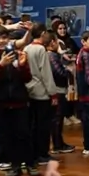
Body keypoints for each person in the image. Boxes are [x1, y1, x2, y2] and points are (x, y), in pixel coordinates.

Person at [0, 25, 39, 176]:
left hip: (19, 102)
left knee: (24, 134)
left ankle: (31, 164)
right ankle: (15, 165)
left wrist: (22, 65)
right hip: (0, 104)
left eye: (4, 37)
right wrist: (1, 65)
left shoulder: (14, 53)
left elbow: (26, 78)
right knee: (7, 136)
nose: (1, 41)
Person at [24, 23, 59, 165]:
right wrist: (53, 93)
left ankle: (34, 153)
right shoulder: (41, 50)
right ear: (43, 33)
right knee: (43, 125)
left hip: (29, 90)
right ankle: (43, 153)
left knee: (34, 124)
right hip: (42, 92)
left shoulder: (26, 48)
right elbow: (46, 73)